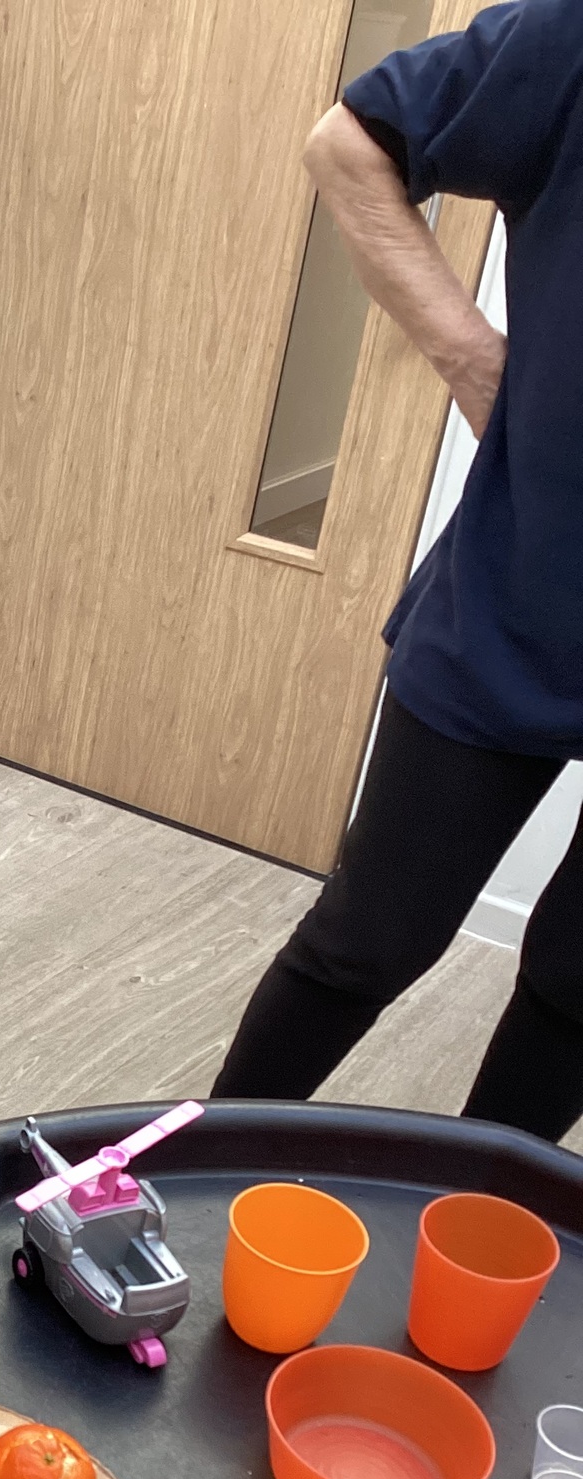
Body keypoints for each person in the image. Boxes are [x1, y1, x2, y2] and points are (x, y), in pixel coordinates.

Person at [213, 0, 583, 1144]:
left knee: (579, 980)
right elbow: (351, 142)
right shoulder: (568, 42)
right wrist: (471, 354)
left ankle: (488, 1217)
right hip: (522, 595)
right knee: (366, 940)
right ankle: (201, 1172)